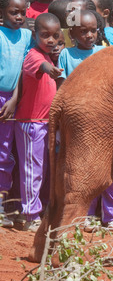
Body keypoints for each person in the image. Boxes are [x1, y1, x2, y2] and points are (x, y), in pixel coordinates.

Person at [14, 13, 63, 232]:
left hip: (45, 123)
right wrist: (50, 69)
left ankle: (39, 211)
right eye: (45, 35)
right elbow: (41, 67)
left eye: (55, 35)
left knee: (43, 171)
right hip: (31, 123)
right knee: (32, 171)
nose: (50, 40)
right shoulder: (35, 56)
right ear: (35, 35)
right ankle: (29, 215)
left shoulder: (51, 55)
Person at [0, 0, 34, 228]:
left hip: (12, 102)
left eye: (23, 12)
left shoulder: (27, 37)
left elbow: (24, 70)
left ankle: (2, 205)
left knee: (5, 155)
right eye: (14, 12)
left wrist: (14, 99)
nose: (20, 17)